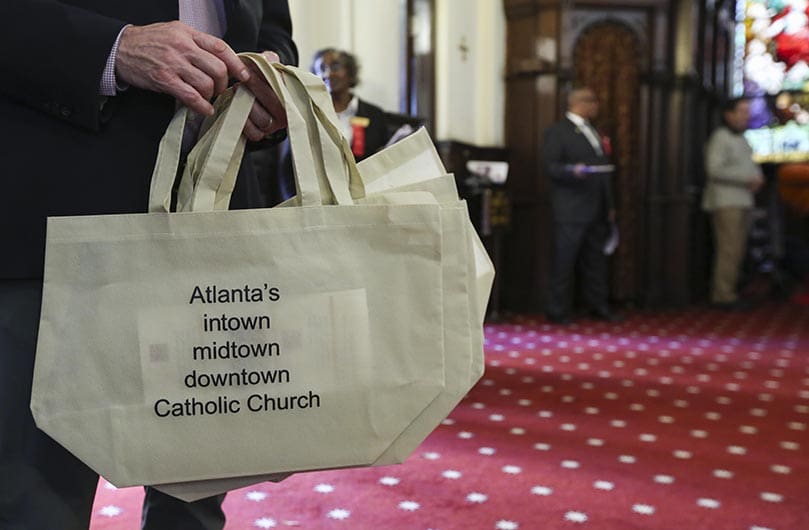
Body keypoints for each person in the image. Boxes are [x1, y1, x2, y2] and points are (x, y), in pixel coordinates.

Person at [0, 2, 297, 530]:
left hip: (214, 224)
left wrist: (271, 80)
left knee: (198, 494)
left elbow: (273, 24)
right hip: (52, 216)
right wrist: (112, 49)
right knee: (35, 499)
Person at [542, 86, 622, 324]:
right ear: (579, 102)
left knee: (595, 261)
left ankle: (598, 306)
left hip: (597, 207)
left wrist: (610, 205)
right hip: (571, 208)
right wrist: (572, 171)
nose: (596, 105)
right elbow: (550, 166)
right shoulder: (558, 132)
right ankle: (558, 311)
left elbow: (603, 172)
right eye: (593, 101)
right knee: (564, 261)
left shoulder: (594, 131)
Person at [277, 47, 391, 199]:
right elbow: (288, 169)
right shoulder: (304, 114)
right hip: (319, 204)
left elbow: (384, 163)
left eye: (336, 67)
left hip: (367, 199)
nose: (328, 74)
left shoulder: (374, 115)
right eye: (322, 68)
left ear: (350, 73)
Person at [702, 97, 765, 310]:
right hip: (726, 202)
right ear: (729, 115)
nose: (746, 116)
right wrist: (748, 178)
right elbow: (714, 169)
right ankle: (722, 295)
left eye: (748, 111)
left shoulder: (743, 139)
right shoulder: (721, 137)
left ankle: (730, 291)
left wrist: (757, 177)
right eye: (742, 111)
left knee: (738, 250)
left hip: (743, 200)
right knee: (728, 250)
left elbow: (751, 166)